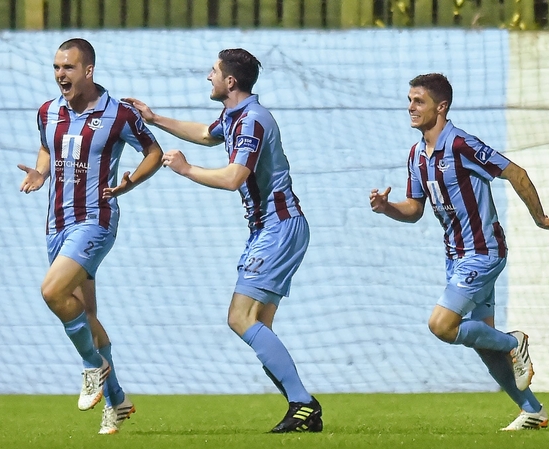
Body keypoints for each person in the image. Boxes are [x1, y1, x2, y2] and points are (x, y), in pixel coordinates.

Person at [123, 48, 322, 433]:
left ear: (230, 81)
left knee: (239, 318)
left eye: (213, 71)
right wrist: (154, 118)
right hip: (274, 228)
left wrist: (185, 169)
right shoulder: (235, 117)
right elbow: (204, 134)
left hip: (278, 227)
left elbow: (233, 178)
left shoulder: (252, 121)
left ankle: (303, 404)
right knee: (257, 323)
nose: (208, 77)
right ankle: (301, 409)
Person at [369, 73, 549, 431]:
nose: (410, 107)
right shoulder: (417, 155)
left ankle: (514, 342)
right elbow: (415, 210)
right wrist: (387, 208)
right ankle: (533, 411)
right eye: (409, 100)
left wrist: (540, 219)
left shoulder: (461, 144)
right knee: (482, 342)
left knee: (442, 325)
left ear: (441, 107)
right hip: (455, 256)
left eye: (419, 101)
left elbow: (516, 172)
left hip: (483, 251)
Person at [18, 38, 163, 435]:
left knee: (51, 292)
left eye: (68, 68)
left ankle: (91, 365)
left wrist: (130, 183)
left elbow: (153, 151)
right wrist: (40, 172)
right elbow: (47, 148)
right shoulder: (48, 111)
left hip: (95, 221)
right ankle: (117, 401)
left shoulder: (118, 114)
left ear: (88, 71)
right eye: (56, 68)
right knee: (86, 313)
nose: (60, 75)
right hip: (57, 225)